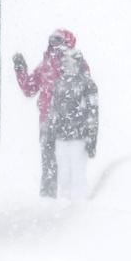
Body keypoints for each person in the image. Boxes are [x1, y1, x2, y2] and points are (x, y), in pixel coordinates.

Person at [13, 29, 90, 198]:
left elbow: (86, 88)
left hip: (68, 121)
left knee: (65, 160)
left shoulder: (75, 63)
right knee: (50, 160)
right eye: (52, 40)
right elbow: (29, 88)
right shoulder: (45, 65)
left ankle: (67, 198)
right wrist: (20, 69)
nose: (54, 44)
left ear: (67, 43)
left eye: (58, 40)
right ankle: (50, 198)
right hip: (49, 120)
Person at [47, 49, 99, 200]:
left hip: (79, 138)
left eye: (68, 61)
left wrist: (92, 138)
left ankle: (79, 207)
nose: (65, 65)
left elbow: (93, 112)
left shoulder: (87, 84)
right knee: (63, 177)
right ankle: (65, 207)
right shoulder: (59, 83)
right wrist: (51, 132)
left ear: (77, 62)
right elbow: (53, 109)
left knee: (78, 174)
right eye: (64, 62)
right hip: (61, 137)